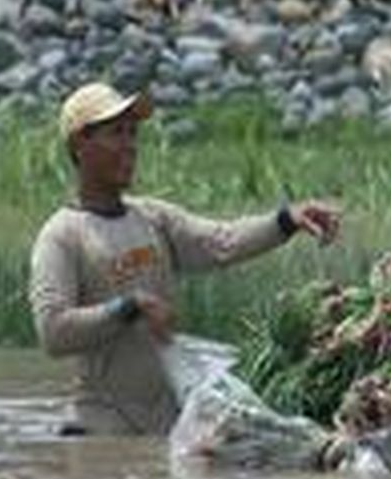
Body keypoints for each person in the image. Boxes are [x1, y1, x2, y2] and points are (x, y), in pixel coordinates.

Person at [29, 82, 341, 435]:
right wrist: (129, 307)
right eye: (116, 133)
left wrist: (286, 220)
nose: (130, 146)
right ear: (79, 145)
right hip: (101, 426)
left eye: (133, 134)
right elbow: (53, 332)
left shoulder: (152, 218)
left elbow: (222, 242)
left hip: (166, 423)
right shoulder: (62, 235)